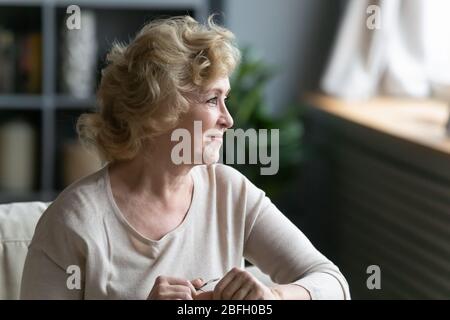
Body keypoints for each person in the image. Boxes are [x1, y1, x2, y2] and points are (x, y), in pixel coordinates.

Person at [20, 15, 350, 300]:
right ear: (157, 109)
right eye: (212, 100)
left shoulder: (229, 193)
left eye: (226, 99)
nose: (228, 119)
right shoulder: (74, 222)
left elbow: (332, 282)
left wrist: (273, 295)